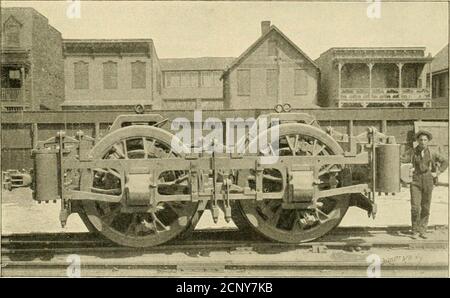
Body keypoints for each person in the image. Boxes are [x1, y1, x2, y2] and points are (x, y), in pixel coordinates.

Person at [409, 130, 448, 239]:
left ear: (428, 141)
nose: (422, 142)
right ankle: (415, 230)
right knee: (415, 207)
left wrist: (438, 172)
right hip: (415, 180)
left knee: (425, 206)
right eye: (420, 139)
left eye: (425, 140)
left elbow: (445, 161)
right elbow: (402, 160)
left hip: (428, 179)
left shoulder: (432, 152)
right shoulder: (412, 152)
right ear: (417, 140)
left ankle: (423, 230)